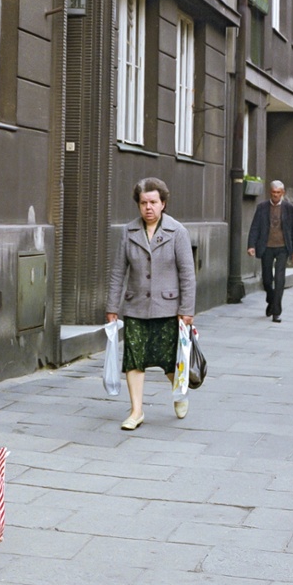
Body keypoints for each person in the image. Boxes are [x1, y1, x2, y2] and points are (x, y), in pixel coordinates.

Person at [105, 177, 195, 431]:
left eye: (153, 202)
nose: (148, 208)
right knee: (134, 359)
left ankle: (179, 393)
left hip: (168, 309)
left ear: (163, 204)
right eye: (144, 202)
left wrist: (186, 310)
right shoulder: (129, 231)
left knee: (169, 361)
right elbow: (117, 271)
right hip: (135, 307)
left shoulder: (177, 232)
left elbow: (187, 273)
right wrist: (112, 307)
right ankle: (136, 411)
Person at [247, 180, 293, 322]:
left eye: (278, 193)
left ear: (282, 193)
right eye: (273, 192)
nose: (276, 195)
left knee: (280, 279)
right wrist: (251, 245)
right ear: (270, 192)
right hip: (266, 247)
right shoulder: (262, 207)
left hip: (283, 247)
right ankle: (271, 300)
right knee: (267, 280)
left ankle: (276, 312)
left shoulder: (289, 208)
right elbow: (255, 227)